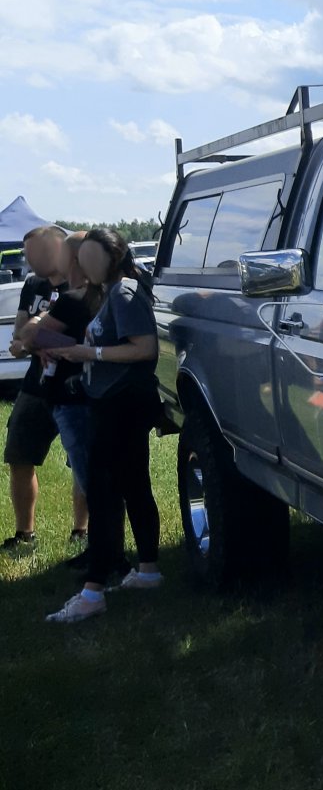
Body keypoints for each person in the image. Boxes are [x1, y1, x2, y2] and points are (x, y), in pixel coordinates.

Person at [44, 229, 162, 623]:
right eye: (83, 258)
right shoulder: (113, 290)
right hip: (120, 403)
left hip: (119, 407)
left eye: (92, 258)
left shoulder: (123, 293)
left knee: (104, 494)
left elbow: (144, 348)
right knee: (133, 487)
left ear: (113, 257)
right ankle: (148, 571)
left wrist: (86, 352)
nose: (84, 265)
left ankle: (92, 593)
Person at [2, 225, 86, 557]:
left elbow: (81, 339)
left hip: (76, 387)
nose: (26, 259)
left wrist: (36, 339)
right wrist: (31, 340)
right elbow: (19, 336)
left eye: (31, 251)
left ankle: (82, 532)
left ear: (56, 249)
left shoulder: (81, 287)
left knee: (80, 462)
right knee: (19, 455)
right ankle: (25, 535)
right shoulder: (33, 284)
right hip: (35, 386)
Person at [23, 231, 98, 570]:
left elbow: (30, 334)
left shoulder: (73, 299)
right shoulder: (105, 296)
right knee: (98, 476)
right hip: (92, 394)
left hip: (72, 398)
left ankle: (103, 553)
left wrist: (37, 332)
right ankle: (104, 549)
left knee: (89, 475)